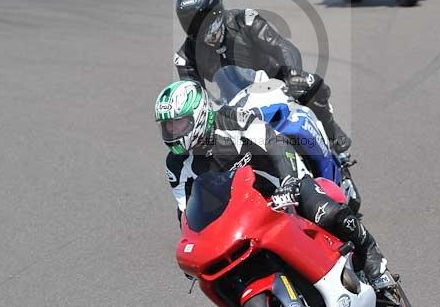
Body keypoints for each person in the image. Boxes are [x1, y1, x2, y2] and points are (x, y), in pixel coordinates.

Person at [155, 79, 387, 285]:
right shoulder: (176, 164)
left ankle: (371, 256)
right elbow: (185, 210)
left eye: (178, 124)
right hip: (243, 214)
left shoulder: (230, 118)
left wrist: (289, 180)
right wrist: (195, 243)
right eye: (167, 126)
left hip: (280, 185)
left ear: (200, 114)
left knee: (324, 212)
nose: (172, 132)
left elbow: (273, 141)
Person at [173, 0, 351, 154]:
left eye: (201, 20)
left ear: (216, 11)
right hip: (235, 102)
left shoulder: (244, 21)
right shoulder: (185, 57)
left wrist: (291, 75)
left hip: (276, 83)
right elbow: (195, 99)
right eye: (191, 23)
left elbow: (283, 47)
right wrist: (213, 112)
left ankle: (332, 132)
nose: (198, 28)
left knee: (313, 85)